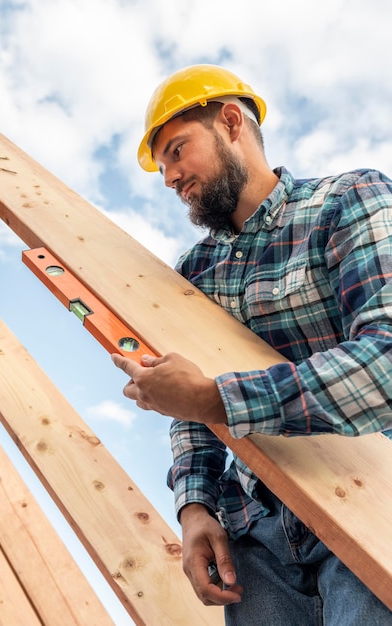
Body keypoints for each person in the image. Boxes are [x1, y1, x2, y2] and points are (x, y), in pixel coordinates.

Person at [112, 64, 392, 625]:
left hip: (368, 504)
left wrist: (217, 398)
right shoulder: (195, 271)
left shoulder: (347, 201)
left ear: (231, 122)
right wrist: (194, 508)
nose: (168, 177)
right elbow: (187, 407)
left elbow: (385, 358)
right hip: (256, 543)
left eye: (176, 150)